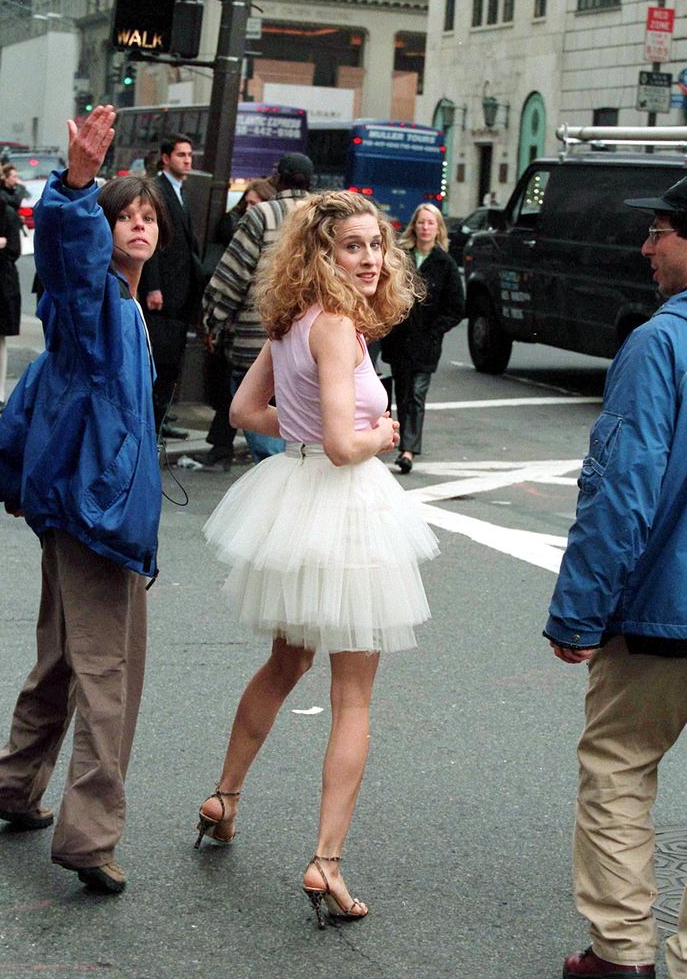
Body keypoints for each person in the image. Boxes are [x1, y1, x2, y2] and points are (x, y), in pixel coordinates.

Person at [194, 190, 438, 928]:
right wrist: (383, 433)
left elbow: (243, 413)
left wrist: (299, 428)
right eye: (352, 247)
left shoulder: (291, 322)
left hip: (295, 502)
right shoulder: (336, 328)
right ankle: (326, 861)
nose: (370, 260)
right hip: (346, 507)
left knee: (284, 663)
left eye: (375, 245)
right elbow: (342, 443)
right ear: (319, 254)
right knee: (353, 696)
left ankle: (224, 796)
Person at [545, 172, 687, 979]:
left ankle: (620, 953)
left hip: (664, 608)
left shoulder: (661, 342)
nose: (646, 246)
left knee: (618, 768)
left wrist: (578, 615)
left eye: (660, 231)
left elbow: (620, 490)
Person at [0, 106, 167, 895]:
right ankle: (89, 838)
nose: (137, 225)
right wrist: (74, 185)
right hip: (94, 513)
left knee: (63, 657)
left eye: (146, 216)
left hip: (76, 505)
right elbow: (62, 260)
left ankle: (11, 784)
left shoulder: (124, 309)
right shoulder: (93, 302)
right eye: (123, 216)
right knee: (110, 672)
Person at [201, 153, 313, 463]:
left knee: (267, 445)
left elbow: (230, 278)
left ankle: (278, 487)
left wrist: (214, 323)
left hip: (258, 340)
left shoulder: (262, 215)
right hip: (314, 345)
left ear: (277, 177)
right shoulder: (324, 218)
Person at [199, 177, 278, 468]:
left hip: (252, 336)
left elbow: (231, 279)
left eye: (255, 203)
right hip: (254, 336)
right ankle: (226, 447)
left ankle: (269, 466)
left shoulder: (260, 221)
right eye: (247, 202)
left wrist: (212, 320)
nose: (250, 208)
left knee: (250, 401)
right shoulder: (293, 218)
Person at [381, 203, 464, 474]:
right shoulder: (401, 258)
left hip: (426, 343)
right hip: (400, 338)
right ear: (414, 226)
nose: (425, 227)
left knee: (417, 393)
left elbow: (456, 307)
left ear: (438, 228)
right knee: (403, 393)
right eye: (421, 222)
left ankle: (408, 450)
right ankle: (402, 440)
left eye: (431, 223)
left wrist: (435, 330)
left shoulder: (446, 264)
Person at [140, 132, 207, 439]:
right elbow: (152, 243)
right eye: (181, 155)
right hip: (162, 292)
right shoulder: (157, 189)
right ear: (166, 158)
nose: (187, 160)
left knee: (171, 360)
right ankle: (152, 421)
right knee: (160, 357)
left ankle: (161, 418)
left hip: (181, 292)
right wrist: (152, 285)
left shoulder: (180, 191)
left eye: (189, 155)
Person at [0, 162, 21, 413]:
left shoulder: (6, 212)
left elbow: (14, 249)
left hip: (0, 282)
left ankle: (0, 393)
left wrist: (2, 245)